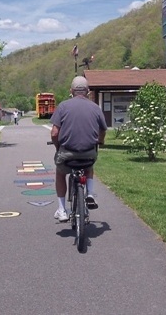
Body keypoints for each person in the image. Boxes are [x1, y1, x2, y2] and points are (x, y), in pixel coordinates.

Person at [50, 76, 107, 222]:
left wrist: (58, 147)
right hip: (88, 153)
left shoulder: (63, 106)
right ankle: (90, 193)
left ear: (71, 91)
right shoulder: (95, 107)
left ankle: (62, 209)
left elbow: (55, 133)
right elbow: (103, 129)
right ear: (87, 91)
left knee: (60, 173)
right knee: (89, 167)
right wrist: (99, 141)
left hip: (67, 153)